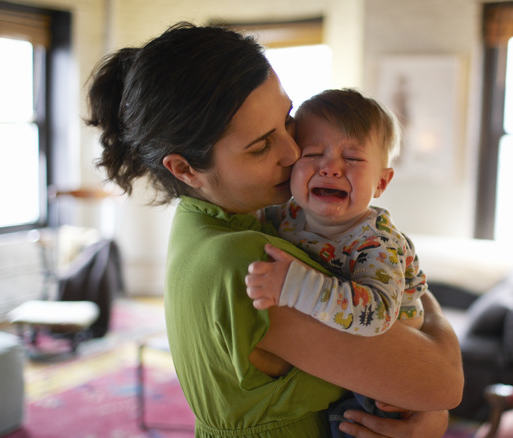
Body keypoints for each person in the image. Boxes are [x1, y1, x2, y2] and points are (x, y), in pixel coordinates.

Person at [86, 22, 463, 438]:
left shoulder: (217, 223)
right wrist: (433, 316)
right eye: (261, 146)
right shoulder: (254, 265)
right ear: (185, 169)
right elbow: (443, 383)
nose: (293, 151)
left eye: (287, 121)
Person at [244, 88, 427, 436]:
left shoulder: (377, 243)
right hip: (333, 356)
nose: (330, 168)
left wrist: (293, 286)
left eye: (354, 159)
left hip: (384, 373)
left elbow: (377, 314)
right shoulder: (286, 215)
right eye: (313, 153)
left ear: (382, 182)